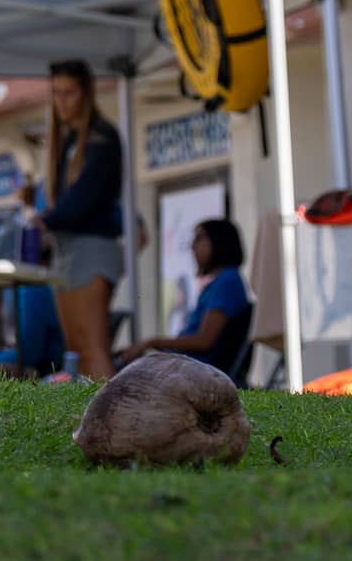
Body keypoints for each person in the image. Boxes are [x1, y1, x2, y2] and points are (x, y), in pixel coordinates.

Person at [40, 59, 126, 380]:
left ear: (86, 93)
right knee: (75, 349)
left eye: (69, 93)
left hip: (93, 248)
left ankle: (112, 416)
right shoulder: (67, 141)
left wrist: (46, 220)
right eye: (56, 93)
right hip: (67, 249)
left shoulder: (102, 137)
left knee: (93, 346)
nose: (61, 101)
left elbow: (85, 197)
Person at [121, 219, 251, 374]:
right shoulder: (220, 282)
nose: (192, 246)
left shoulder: (227, 281)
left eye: (199, 238)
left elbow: (204, 341)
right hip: (190, 365)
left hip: (199, 370)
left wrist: (152, 342)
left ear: (219, 241)